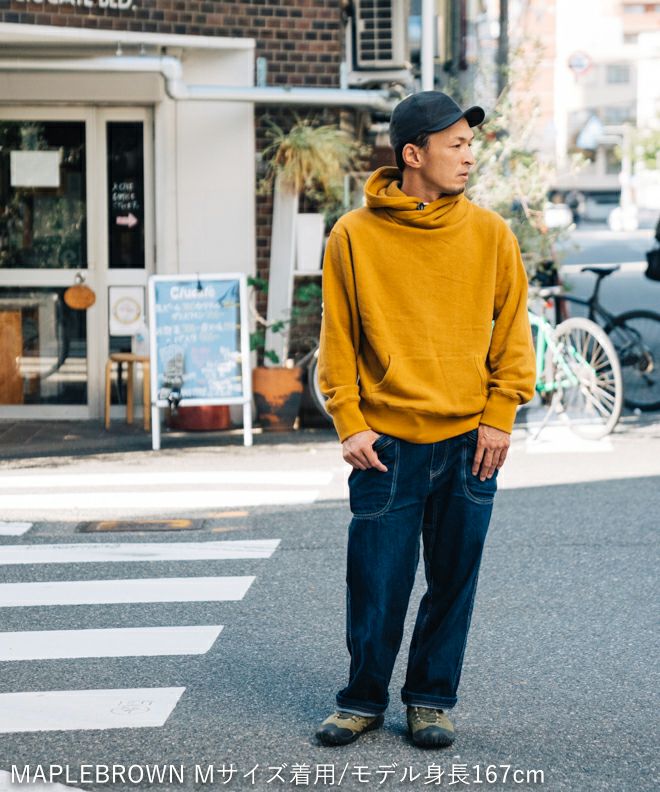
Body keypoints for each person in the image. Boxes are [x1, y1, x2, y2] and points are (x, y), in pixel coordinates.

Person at [315, 91, 537, 749]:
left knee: (453, 583)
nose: (469, 156)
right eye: (456, 144)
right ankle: (361, 700)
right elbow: (338, 337)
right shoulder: (353, 235)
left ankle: (431, 701)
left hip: (470, 440)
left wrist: (500, 415)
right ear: (413, 154)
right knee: (375, 584)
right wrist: (349, 421)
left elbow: (513, 333)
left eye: (471, 145)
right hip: (385, 443)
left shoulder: (490, 234)